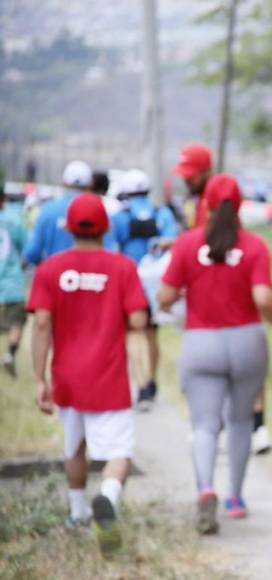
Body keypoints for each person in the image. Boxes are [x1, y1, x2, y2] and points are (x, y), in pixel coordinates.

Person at [157, 174, 272, 534]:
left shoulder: (187, 243)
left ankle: (206, 488)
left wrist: (174, 301)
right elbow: (262, 298)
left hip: (202, 343)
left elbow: (165, 296)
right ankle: (236, 499)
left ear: (205, 205)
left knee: (205, 425)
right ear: (240, 205)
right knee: (241, 421)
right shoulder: (254, 246)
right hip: (246, 340)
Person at [27, 194, 150, 553]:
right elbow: (140, 320)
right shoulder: (123, 267)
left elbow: (41, 323)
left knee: (74, 444)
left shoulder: (50, 269)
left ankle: (78, 513)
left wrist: (39, 379)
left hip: (66, 375)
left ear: (67, 227)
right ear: (106, 228)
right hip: (108, 376)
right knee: (119, 453)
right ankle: (108, 497)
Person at [111, 169, 179, 409]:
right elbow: (175, 242)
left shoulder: (120, 217)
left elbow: (112, 250)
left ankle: (141, 385)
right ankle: (151, 381)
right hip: (156, 287)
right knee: (152, 334)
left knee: (134, 334)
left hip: (130, 285)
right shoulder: (163, 213)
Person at [23, 160, 115, 265]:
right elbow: (109, 251)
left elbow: (32, 253)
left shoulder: (47, 210)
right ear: (90, 184)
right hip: (93, 278)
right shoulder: (100, 210)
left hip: (54, 276)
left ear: (64, 182)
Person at [1, 187, 28, 377]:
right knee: (16, 322)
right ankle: (10, 354)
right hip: (12, 280)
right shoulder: (14, 220)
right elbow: (27, 249)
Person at [173, 143, 214, 228]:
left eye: (191, 176)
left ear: (207, 172)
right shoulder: (195, 199)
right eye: (185, 175)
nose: (186, 180)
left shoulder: (216, 202)